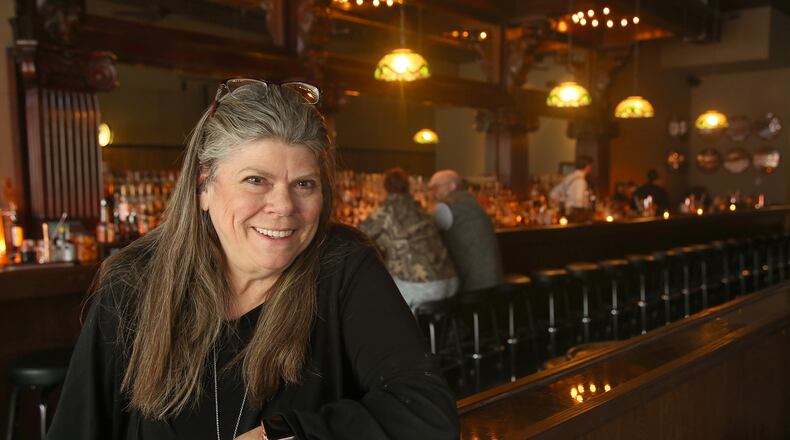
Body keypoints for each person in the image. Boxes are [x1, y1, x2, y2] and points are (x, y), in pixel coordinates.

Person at [47, 80, 459, 439]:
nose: (283, 205)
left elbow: (426, 412)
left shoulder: (342, 265)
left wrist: (283, 436)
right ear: (204, 187)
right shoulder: (134, 282)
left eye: (303, 184)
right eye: (255, 180)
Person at [359, 168, 459, 312]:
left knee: (377, 290)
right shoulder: (419, 207)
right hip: (451, 281)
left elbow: (358, 235)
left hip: (422, 288)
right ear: (408, 186)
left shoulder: (387, 210)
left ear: (385, 187)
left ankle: (396, 333)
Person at [428, 169, 503, 293]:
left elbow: (428, 235)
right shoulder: (472, 201)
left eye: (436, 187)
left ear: (452, 186)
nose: (432, 193)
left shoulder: (445, 206)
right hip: (492, 276)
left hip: (471, 281)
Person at [550, 156, 593, 222]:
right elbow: (579, 202)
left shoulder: (570, 177)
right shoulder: (581, 181)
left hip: (564, 214)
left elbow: (553, 193)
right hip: (574, 216)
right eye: (590, 166)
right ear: (587, 166)